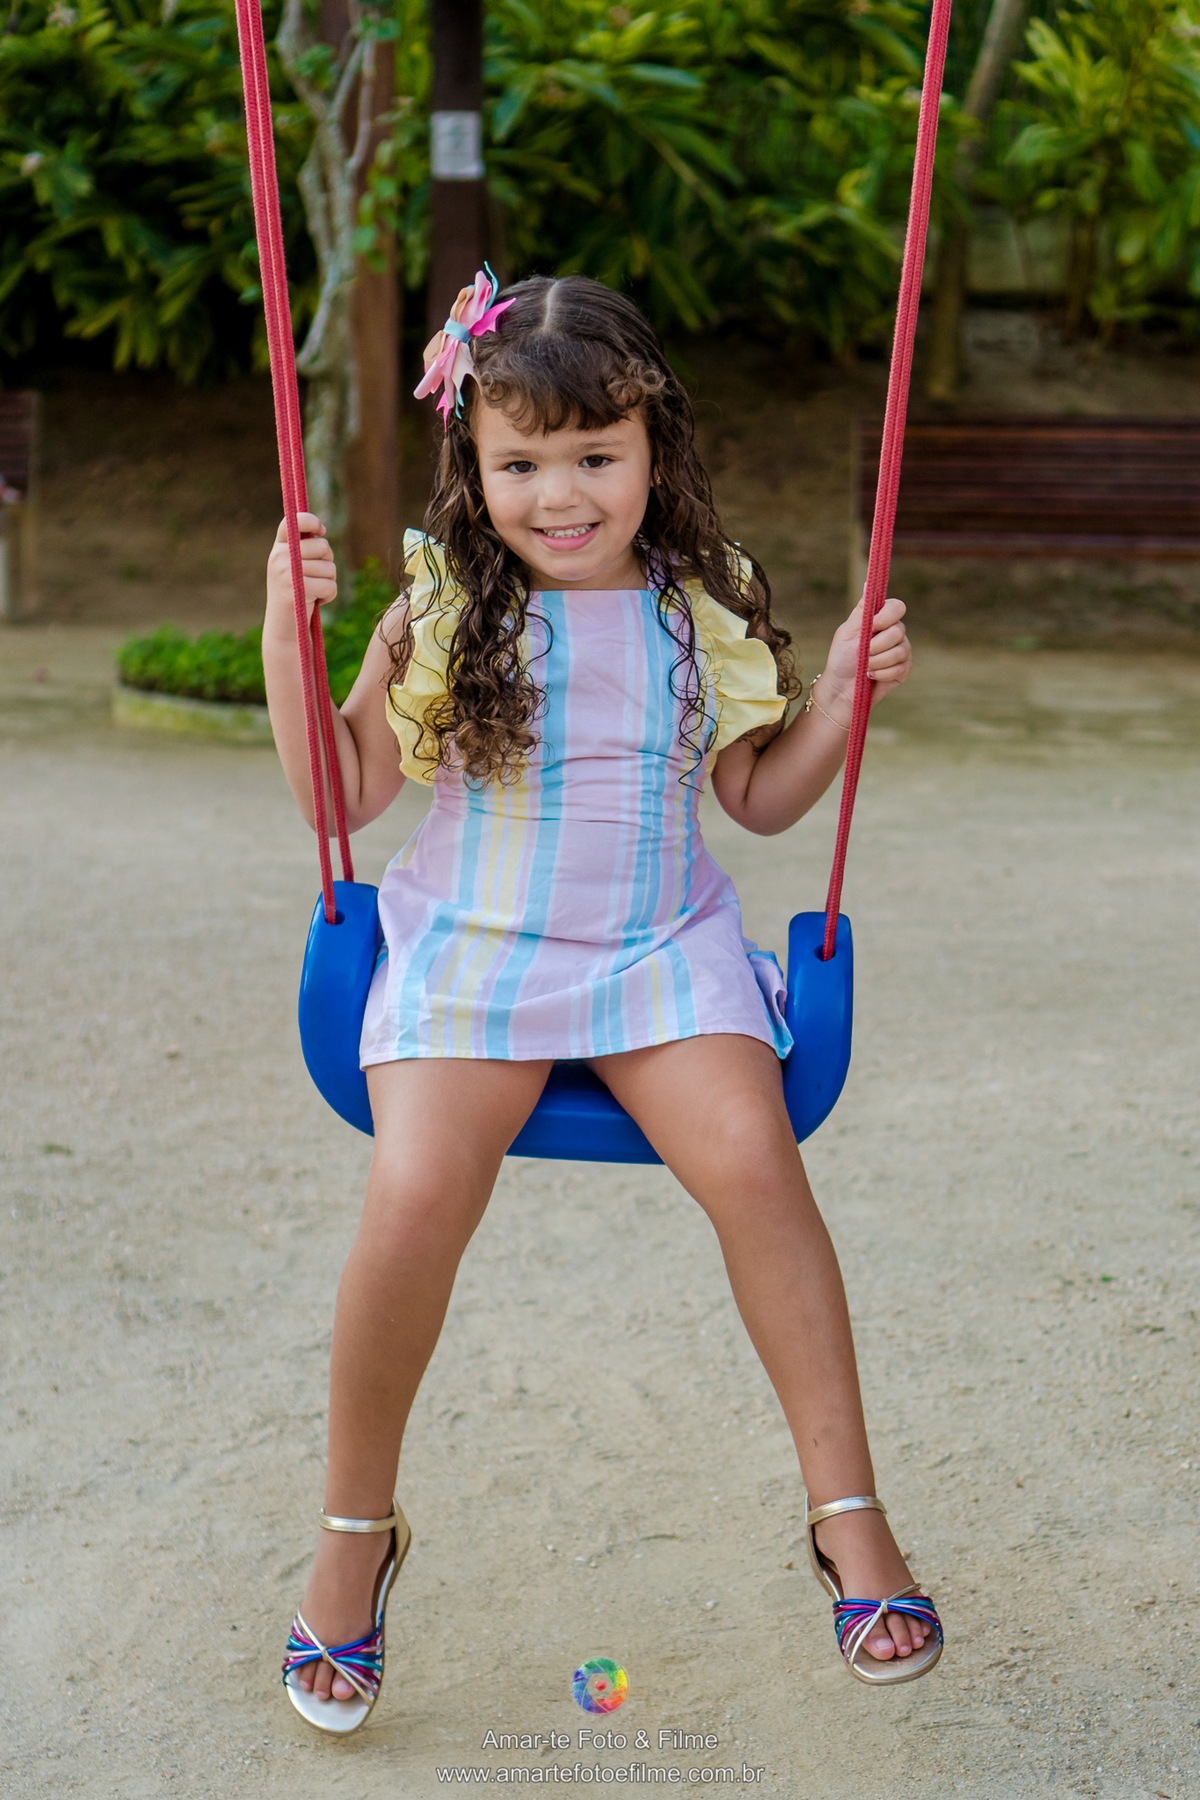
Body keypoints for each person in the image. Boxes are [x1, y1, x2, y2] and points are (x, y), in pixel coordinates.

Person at [262, 273, 942, 1735]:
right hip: (479, 949)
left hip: (653, 951)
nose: (559, 496)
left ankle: (848, 1512)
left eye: (594, 458)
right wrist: (285, 622)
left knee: (763, 1170)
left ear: (653, 448)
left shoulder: (700, 615)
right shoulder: (442, 613)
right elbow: (343, 792)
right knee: (415, 1191)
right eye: (521, 464)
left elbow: (759, 804)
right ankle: (352, 1538)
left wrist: (833, 696)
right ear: (475, 465)